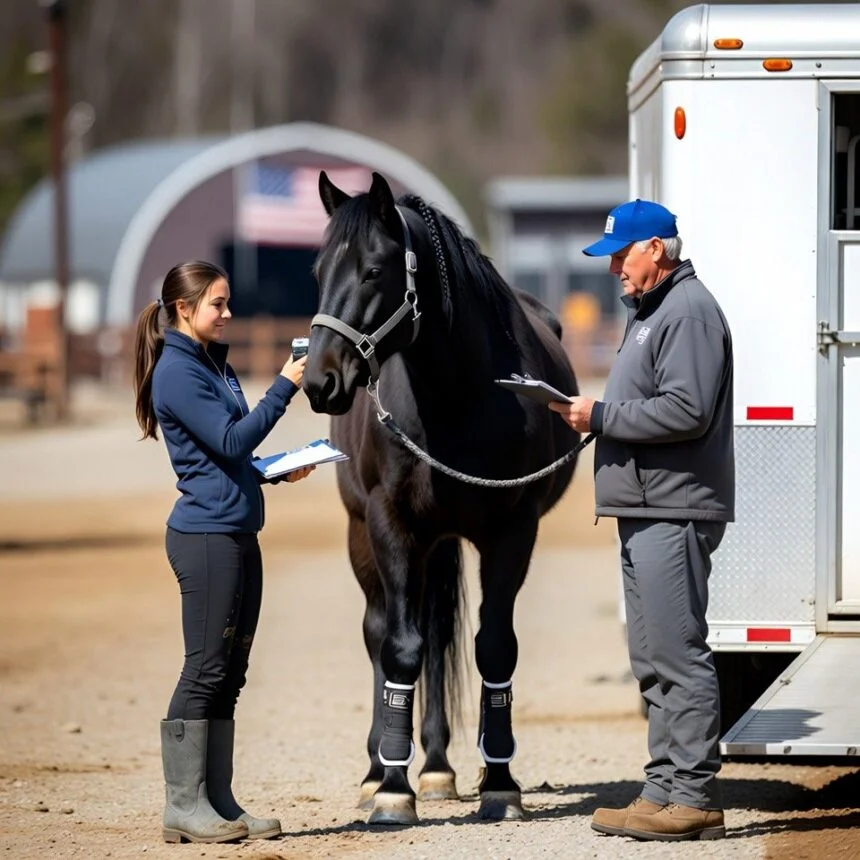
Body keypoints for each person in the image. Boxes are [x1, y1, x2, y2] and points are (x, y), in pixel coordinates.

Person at [549, 200, 734, 842]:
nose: (614, 271)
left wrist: (599, 417)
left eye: (622, 256)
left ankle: (694, 795)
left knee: (678, 653)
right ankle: (661, 788)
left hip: (674, 505)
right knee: (650, 656)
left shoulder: (686, 311)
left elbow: (686, 410)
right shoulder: (652, 312)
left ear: (656, 248)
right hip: (646, 505)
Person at [133, 260, 314, 844]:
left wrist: (270, 472)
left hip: (237, 530)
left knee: (230, 673)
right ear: (185, 309)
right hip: (205, 538)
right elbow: (234, 437)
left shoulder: (214, 364)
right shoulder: (178, 373)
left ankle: (217, 799)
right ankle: (182, 806)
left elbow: (230, 455)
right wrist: (286, 385)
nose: (228, 312)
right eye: (218, 303)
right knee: (205, 668)